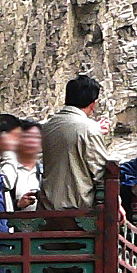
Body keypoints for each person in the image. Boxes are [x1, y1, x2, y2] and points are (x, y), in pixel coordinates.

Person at [40, 72, 111, 210]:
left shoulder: (47, 126)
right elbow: (101, 172)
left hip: (46, 206)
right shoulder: (89, 128)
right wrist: (118, 204)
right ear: (93, 104)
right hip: (77, 208)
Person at [8, 119, 43, 208]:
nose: (32, 141)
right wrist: (17, 204)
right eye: (27, 136)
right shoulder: (7, 168)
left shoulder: (45, 171)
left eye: (36, 137)